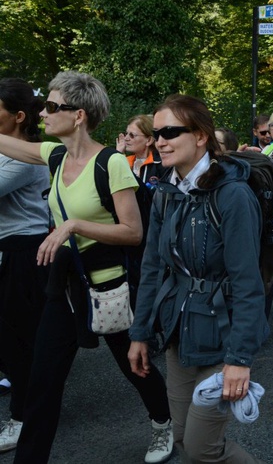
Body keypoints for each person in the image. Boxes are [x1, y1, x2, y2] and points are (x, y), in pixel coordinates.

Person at [0, 71, 172, 464]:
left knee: (136, 367)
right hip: (65, 288)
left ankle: (163, 423)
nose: (43, 113)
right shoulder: (55, 155)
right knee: (43, 382)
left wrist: (73, 225)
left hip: (108, 287)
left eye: (52, 107)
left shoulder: (111, 163)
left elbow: (132, 232)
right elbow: (6, 143)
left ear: (78, 115)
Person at [128, 94, 268, 463]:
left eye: (171, 131)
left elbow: (248, 282)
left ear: (201, 136)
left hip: (222, 338)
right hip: (179, 334)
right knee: (183, 441)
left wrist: (240, 358)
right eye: (157, 133)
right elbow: (154, 267)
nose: (160, 141)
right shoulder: (166, 191)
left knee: (204, 448)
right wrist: (140, 333)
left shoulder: (233, 194)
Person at [0, 78, 48, 453]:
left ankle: (23, 416)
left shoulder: (30, 154)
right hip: (8, 251)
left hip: (25, 252)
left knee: (20, 340)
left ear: (17, 116)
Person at [116, 114, 166, 186]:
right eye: (126, 133)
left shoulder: (161, 164)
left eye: (132, 135)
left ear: (149, 140)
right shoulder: (125, 161)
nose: (126, 138)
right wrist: (119, 156)